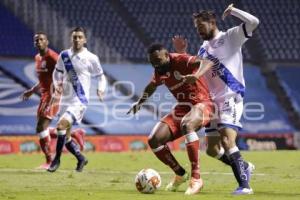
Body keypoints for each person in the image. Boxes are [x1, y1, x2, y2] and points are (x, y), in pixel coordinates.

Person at [173, 4, 259, 195]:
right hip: (212, 103)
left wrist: (234, 11)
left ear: (211, 22)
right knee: (212, 149)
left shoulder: (230, 37)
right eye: (196, 28)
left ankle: (245, 187)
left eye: (200, 26)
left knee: (228, 141)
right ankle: (244, 166)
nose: (198, 30)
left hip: (230, 97)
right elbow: (199, 71)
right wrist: (183, 53)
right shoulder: (203, 48)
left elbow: (254, 22)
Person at [127, 43, 214, 195]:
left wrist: (197, 75)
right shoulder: (159, 70)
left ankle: (196, 178)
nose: (156, 65)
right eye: (152, 62)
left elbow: (207, 62)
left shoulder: (180, 59)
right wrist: (139, 102)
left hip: (203, 103)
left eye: (158, 61)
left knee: (187, 125)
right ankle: (180, 174)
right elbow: (151, 86)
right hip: (183, 107)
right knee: (154, 140)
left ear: (167, 56)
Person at [21, 32, 86, 169]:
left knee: (41, 127)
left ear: (47, 42)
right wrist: (33, 90)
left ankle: (49, 161)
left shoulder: (53, 57)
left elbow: (64, 76)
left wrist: (56, 96)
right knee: (41, 128)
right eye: (36, 40)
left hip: (54, 95)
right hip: (44, 96)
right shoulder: (37, 58)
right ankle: (75, 134)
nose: (39, 42)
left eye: (41, 39)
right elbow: (43, 80)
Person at [47, 27, 107, 172]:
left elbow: (100, 76)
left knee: (60, 126)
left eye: (80, 37)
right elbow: (57, 73)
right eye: (75, 37)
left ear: (85, 40)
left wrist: (101, 88)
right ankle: (81, 159)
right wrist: (56, 85)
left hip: (80, 100)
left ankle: (57, 160)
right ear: (71, 39)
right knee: (65, 136)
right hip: (65, 99)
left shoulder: (91, 58)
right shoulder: (64, 55)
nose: (77, 39)